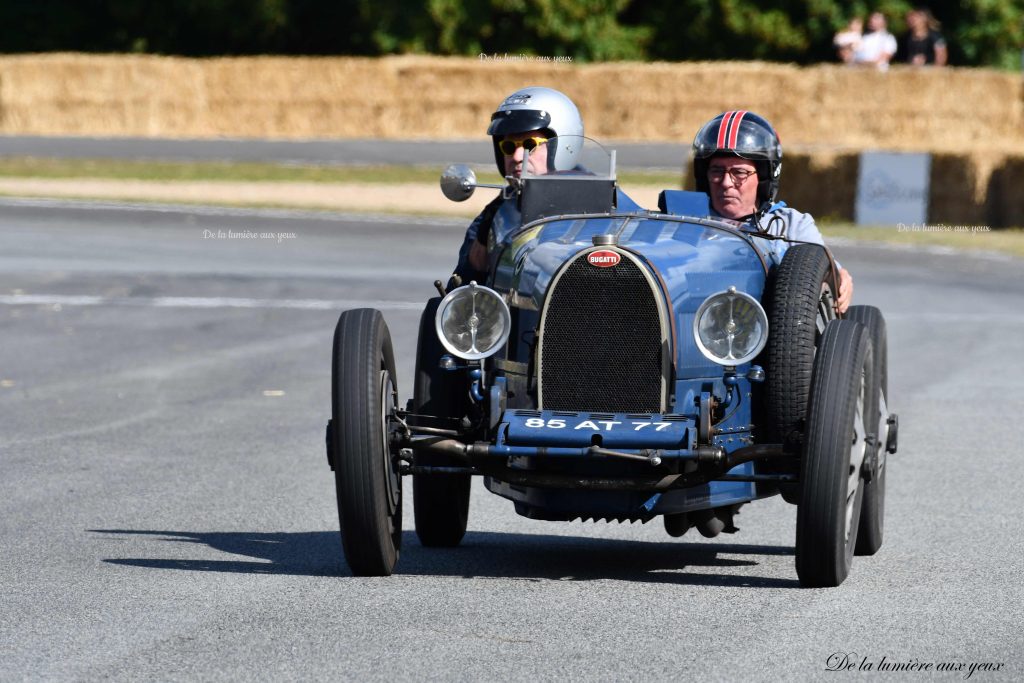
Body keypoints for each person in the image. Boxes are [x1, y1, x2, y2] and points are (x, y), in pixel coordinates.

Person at [691, 110, 853, 313]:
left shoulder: (792, 224)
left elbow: (823, 268)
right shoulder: (685, 220)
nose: (725, 183)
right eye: (717, 171)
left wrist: (837, 274)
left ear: (764, 178)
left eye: (739, 172)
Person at [452, 86, 584, 284]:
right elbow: (461, 287)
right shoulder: (497, 211)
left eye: (530, 145)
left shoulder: (607, 200)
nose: (516, 157)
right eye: (508, 146)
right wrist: (484, 235)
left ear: (565, 144)